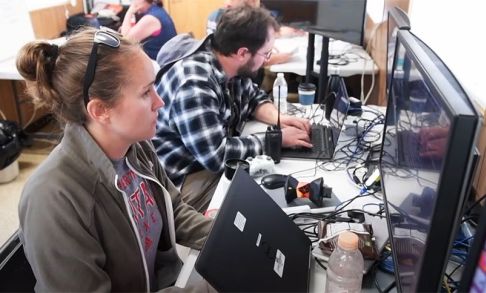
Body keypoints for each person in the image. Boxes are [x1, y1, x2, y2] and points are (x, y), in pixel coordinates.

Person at [16, 27, 213, 292]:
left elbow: (173, 209)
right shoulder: (52, 198)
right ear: (100, 110)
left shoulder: (136, 147)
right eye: (146, 93)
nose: (160, 102)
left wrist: (228, 239)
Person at [153, 6, 312, 213]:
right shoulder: (194, 84)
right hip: (182, 180)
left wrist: (279, 119)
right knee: (261, 195)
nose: (266, 60)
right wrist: (278, 139)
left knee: (270, 179)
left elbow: (253, 98)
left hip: (202, 162)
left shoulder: (229, 63)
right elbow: (217, 156)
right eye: (266, 53)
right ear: (243, 53)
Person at [206, 0, 303, 66]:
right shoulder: (236, 22)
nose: (255, 5)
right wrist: (279, 58)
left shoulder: (217, 15)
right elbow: (245, 61)